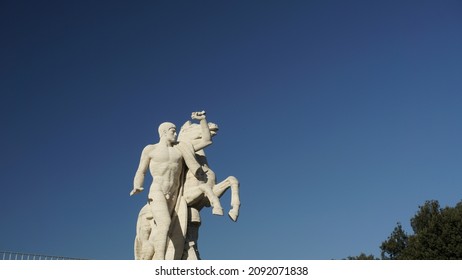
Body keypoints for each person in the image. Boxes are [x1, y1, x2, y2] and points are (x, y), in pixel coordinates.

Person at [130, 111, 212, 260]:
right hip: (157, 190)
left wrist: (203, 120)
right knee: (165, 222)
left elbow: (206, 140)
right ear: (164, 132)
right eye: (173, 131)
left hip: (176, 196)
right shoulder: (151, 149)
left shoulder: (181, 148)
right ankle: (161, 261)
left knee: (170, 230)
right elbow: (141, 171)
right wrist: (137, 186)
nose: (175, 134)